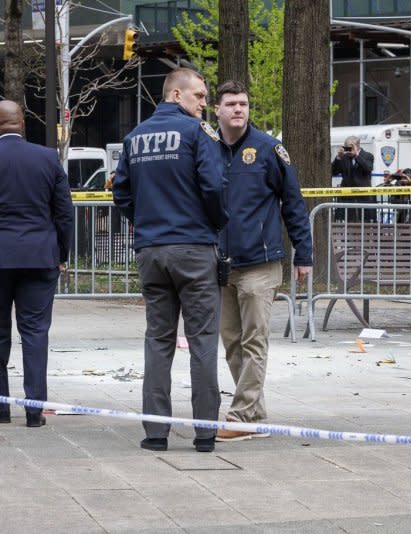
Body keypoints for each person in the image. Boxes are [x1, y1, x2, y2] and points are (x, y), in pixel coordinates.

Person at [113, 68, 228, 453]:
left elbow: (122, 195)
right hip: (194, 248)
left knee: (158, 341)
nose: (204, 105)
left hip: (151, 250)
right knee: (202, 340)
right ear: (176, 94)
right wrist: (216, 222)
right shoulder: (198, 134)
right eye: (199, 96)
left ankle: (156, 432)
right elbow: (213, 186)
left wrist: (146, 224)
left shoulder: (134, 137)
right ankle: (205, 432)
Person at [212, 80, 313, 441]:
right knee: (232, 343)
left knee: (255, 341)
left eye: (243, 103)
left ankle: (240, 417)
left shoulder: (269, 149)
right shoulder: (207, 148)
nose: (239, 109)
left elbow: (294, 202)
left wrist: (305, 253)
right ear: (217, 110)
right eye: (231, 104)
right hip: (221, 263)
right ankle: (255, 413)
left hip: (260, 261)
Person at [0, 100, 74, 428]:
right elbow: (64, 213)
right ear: (22, 125)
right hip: (39, 256)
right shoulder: (46, 158)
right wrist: (62, 254)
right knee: (34, 333)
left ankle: (1, 408)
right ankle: (33, 410)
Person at [331, 135, 375, 222]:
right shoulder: (343, 157)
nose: (348, 150)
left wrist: (356, 156)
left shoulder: (368, 156)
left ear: (357, 146)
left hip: (363, 197)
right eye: (346, 148)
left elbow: (368, 168)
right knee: (347, 222)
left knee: (364, 222)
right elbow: (333, 172)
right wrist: (338, 158)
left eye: (350, 148)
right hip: (347, 196)